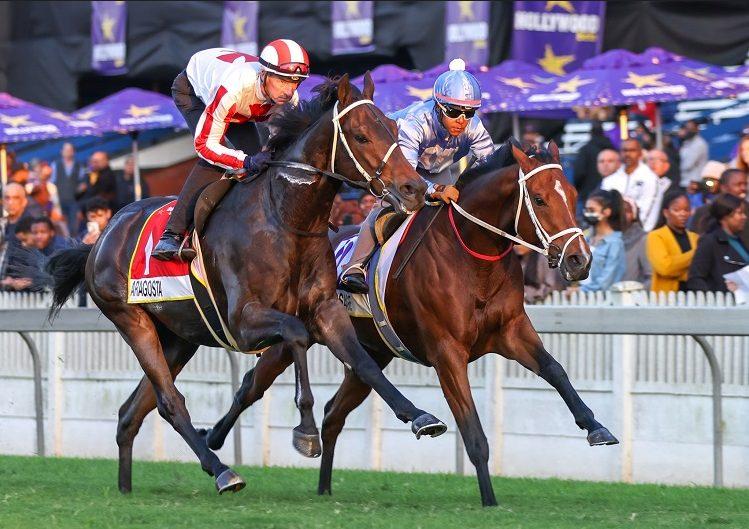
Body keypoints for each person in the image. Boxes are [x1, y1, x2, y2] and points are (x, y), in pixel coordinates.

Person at [339, 58, 496, 293]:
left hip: (438, 168)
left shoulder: (474, 126)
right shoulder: (415, 122)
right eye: (454, 112)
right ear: (438, 106)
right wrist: (436, 190)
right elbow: (408, 177)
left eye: (469, 112)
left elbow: (491, 165)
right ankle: (354, 266)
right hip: (400, 167)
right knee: (389, 206)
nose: (462, 121)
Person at [152, 39, 310, 261]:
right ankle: (171, 234)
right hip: (194, 92)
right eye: (283, 80)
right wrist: (244, 162)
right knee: (218, 158)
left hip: (239, 104)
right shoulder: (234, 87)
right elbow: (205, 146)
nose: (289, 90)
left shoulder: (289, 100)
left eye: (296, 82)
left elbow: (282, 145)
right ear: (264, 73)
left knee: (261, 163)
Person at [687, 193, 749, 293]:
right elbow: (695, 279)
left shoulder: (739, 241)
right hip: (722, 301)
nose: (744, 217)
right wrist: (715, 296)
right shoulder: (709, 242)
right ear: (725, 216)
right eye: (739, 213)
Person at [601, 139, 661, 231]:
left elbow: (649, 211)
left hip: (640, 233)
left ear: (640, 153)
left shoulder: (650, 178)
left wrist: (640, 233)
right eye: (624, 150)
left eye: (632, 150)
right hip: (613, 232)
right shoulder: (609, 180)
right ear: (620, 153)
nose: (628, 154)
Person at [646, 189, 698, 293]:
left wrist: (677, 269)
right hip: (666, 297)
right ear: (666, 213)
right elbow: (665, 268)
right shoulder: (656, 236)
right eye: (677, 210)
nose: (683, 214)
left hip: (693, 295)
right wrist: (695, 254)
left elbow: (700, 270)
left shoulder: (695, 237)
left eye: (686, 210)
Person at [578, 189, 626, 293]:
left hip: (602, 298)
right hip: (580, 297)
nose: (587, 214)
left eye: (592, 210)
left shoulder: (615, 243)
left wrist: (580, 290)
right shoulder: (585, 238)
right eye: (586, 210)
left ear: (606, 212)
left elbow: (607, 281)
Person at [690, 168, 748, 244]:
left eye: (745, 184)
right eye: (738, 184)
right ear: (724, 187)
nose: (743, 188)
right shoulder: (704, 211)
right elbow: (695, 241)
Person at [573, 121, 614, 203]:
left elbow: (579, 172)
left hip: (588, 193)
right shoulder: (611, 148)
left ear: (591, 133)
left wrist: (578, 189)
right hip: (610, 193)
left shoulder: (585, 150)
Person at [51, 142, 85, 235]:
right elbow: (52, 183)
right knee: (62, 228)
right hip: (59, 201)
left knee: (74, 227)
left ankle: (73, 243)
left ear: (73, 152)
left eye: (70, 150)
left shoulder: (79, 165)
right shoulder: (55, 165)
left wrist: (80, 189)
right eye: (66, 150)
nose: (68, 152)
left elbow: (82, 182)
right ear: (61, 151)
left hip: (74, 201)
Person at [621, 198, 652, 287]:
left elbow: (651, 276)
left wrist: (636, 292)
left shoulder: (643, 239)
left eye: (626, 211)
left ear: (634, 215)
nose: (621, 215)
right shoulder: (604, 238)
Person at [678, 119, 708, 188]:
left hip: (694, 182)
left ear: (697, 129)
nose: (688, 130)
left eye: (691, 128)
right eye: (687, 128)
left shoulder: (699, 144)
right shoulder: (686, 142)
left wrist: (675, 167)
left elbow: (687, 165)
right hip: (685, 181)